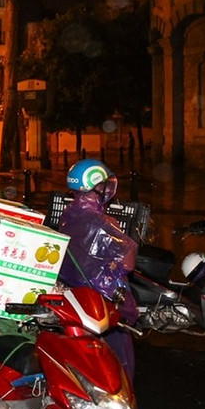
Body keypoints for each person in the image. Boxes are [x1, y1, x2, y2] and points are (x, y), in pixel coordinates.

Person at [55, 159, 139, 379]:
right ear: (96, 187)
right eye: (103, 184)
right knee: (119, 361)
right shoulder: (102, 223)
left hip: (76, 293)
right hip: (103, 300)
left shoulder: (68, 214)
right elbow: (128, 260)